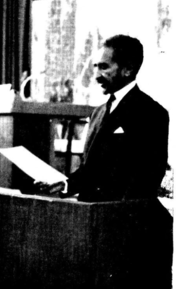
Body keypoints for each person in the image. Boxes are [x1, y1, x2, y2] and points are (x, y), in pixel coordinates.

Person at [37, 34, 169, 203]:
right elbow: (91, 170)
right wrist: (65, 184)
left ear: (128, 69)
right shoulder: (97, 113)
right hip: (89, 215)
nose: (97, 75)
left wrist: (113, 216)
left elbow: (147, 178)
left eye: (104, 68)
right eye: (96, 67)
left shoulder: (151, 113)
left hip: (120, 219)